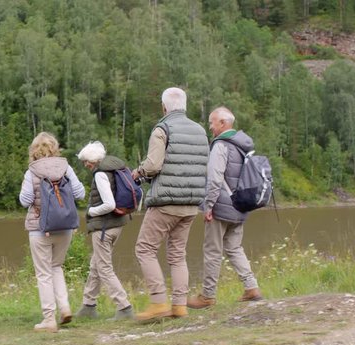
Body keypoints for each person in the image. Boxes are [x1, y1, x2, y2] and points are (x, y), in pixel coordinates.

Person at [131, 87, 209, 322]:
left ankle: (157, 302)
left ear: (164, 107)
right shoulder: (200, 131)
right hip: (191, 203)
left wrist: (137, 173)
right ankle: (179, 305)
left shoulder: (162, 129)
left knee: (144, 249)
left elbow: (153, 165)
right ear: (184, 105)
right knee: (177, 254)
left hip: (165, 202)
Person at [187, 107, 262, 310]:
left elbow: (214, 179)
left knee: (212, 250)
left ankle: (208, 296)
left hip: (221, 206)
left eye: (212, 122)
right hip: (240, 205)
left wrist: (208, 206)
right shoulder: (243, 145)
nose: (210, 127)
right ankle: (251, 287)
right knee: (234, 248)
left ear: (223, 123)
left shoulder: (221, 145)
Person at [19, 132, 86, 332]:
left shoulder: (31, 172)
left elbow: (24, 200)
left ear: (35, 150)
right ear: (55, 148)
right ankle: (64, 308)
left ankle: (49, 318)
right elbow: (80, 194)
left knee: (44, 273)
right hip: (65, 228)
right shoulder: (66, 168)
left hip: (40, 229)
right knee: (56, 267)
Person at [75, 141, 134, 320]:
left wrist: (92, 211)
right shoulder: (117, 168)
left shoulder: (101, 174)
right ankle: (88, 305)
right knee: (96, 264)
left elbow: (109, 204)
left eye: (86, 161)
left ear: (94, 159)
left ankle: (124, 307)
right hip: (116, 225)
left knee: (103, 268)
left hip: (103, 228)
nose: (86, 165)